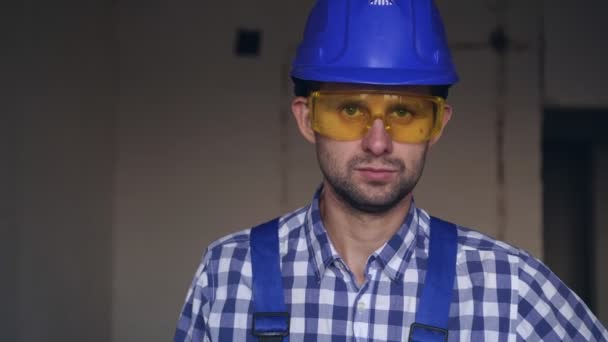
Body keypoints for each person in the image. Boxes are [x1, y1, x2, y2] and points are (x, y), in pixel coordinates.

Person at [174, 0, 608, 341]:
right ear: (308, 120)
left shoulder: (509, 285)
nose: (377, 142)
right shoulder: (230, 273)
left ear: (437, 125)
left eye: (404, 112)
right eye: (349, 110)